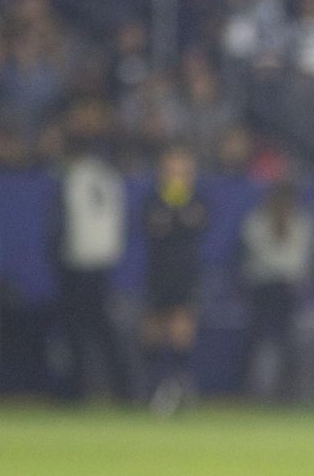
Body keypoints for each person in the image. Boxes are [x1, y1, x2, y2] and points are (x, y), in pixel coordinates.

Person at [52, 122, 133, 402]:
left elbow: (61, 225)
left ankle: (77, 391)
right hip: (104, 262)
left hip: (78, 262)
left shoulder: (72, 177)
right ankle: (124, 388)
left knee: (78, 331)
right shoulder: (110, 177)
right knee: (103, 329)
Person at [142, 144, 208, 413]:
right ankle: (155, 385)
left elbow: (197, 224)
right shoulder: (153, 200)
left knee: (182, 326)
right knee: (153, 329)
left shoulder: (198, 200)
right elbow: (151, 226)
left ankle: (180, 385)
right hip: (158, 273)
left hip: (185, 274)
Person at [239, 176, 314, 401]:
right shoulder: (258, 222)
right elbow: (260, 255)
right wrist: (284, 271)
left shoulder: (301, 222)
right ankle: (251, 392)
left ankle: (288, 393)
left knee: (289, 343)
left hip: (288, 290)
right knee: (257, 341)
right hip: (263, 288)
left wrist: (288, 274)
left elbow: (301, 258)